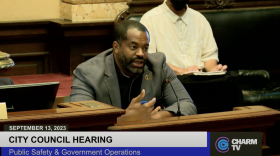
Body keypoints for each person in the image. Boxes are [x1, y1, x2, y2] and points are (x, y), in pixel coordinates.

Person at [70, 20, 197, 121]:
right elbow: (79, 121)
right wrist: (125, 120)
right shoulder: (87, 73)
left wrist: (152, 118)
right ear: (116, 47)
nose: (141, 54)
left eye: (145, 48)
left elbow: (187, 105)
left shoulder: (158, 66)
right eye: (133, 47)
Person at [140, 0, 227, 75]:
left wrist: (213, 70)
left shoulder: (199, 19)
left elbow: (209, 56)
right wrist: (182, 71)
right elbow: (150, 58)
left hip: (199, 80)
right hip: (167, 82)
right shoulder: (149, 20)